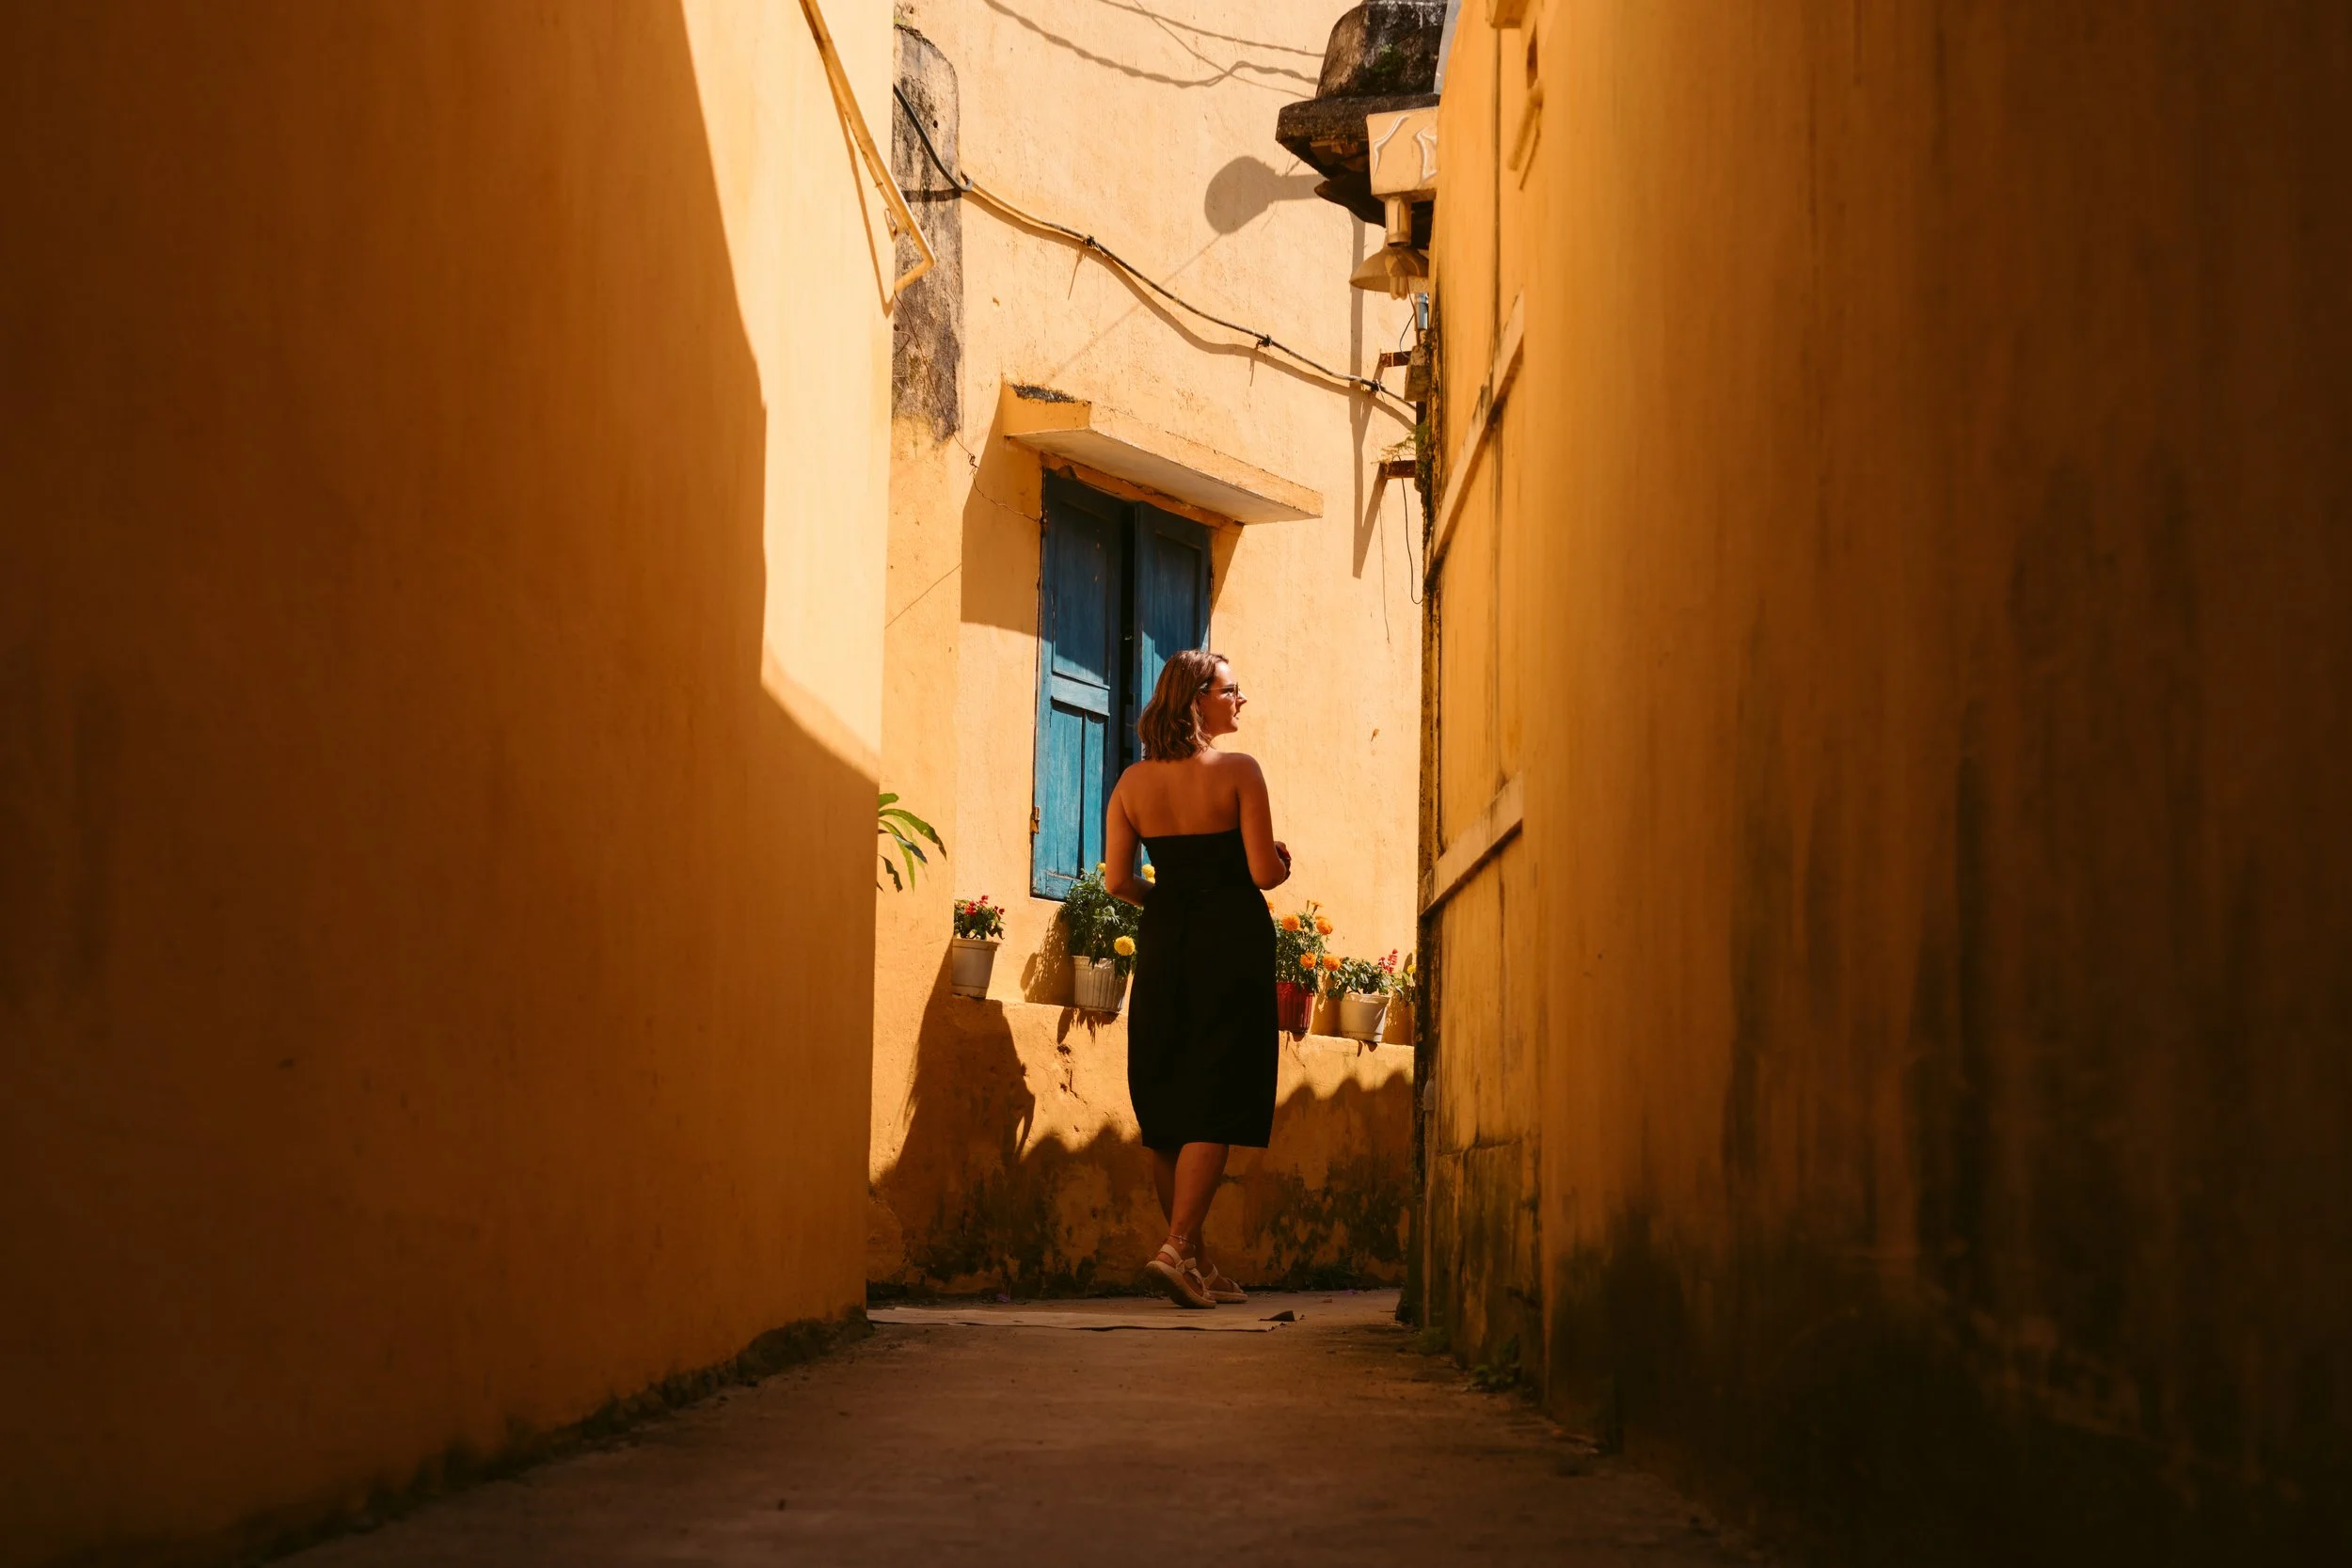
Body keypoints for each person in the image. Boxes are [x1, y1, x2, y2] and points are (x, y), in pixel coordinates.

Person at [1104, 649, 1291, 1308]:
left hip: (1166, 942)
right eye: (1231, 690)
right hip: (1230, 941)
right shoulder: (1239, 771)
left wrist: (1171, 899)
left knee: (1168, 1103)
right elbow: (1263, 873)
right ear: (1196, 700)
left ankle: (1199, 1264)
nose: (1241, 700)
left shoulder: (1131, 784)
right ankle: (1177, 1246)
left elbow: (1119, 881)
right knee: (1217, 1090)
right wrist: (1282, 863)